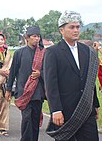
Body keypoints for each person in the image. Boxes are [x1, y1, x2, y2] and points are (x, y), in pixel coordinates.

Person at [43, 11, 100, 141]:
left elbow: (90, 81)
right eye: (71, 27)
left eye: (78, 27)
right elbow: (50, 84)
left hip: (86, 110)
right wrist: (55, 110)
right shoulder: (53, 52)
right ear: (62, 30)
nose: (76, 30)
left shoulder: (87, 51)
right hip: (65, 112)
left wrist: (94, 104)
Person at [5, 26, 46, 141]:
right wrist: (9, 89)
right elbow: (12, 72)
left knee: (35, 120)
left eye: (38, 36)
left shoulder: (43, 53)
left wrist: (40, 73)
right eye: (34, 36)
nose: (36, 39)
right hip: (24, 91)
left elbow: (49, 71)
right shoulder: (19, 53)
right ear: (27, 38)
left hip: (38, 92)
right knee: (27, 119)